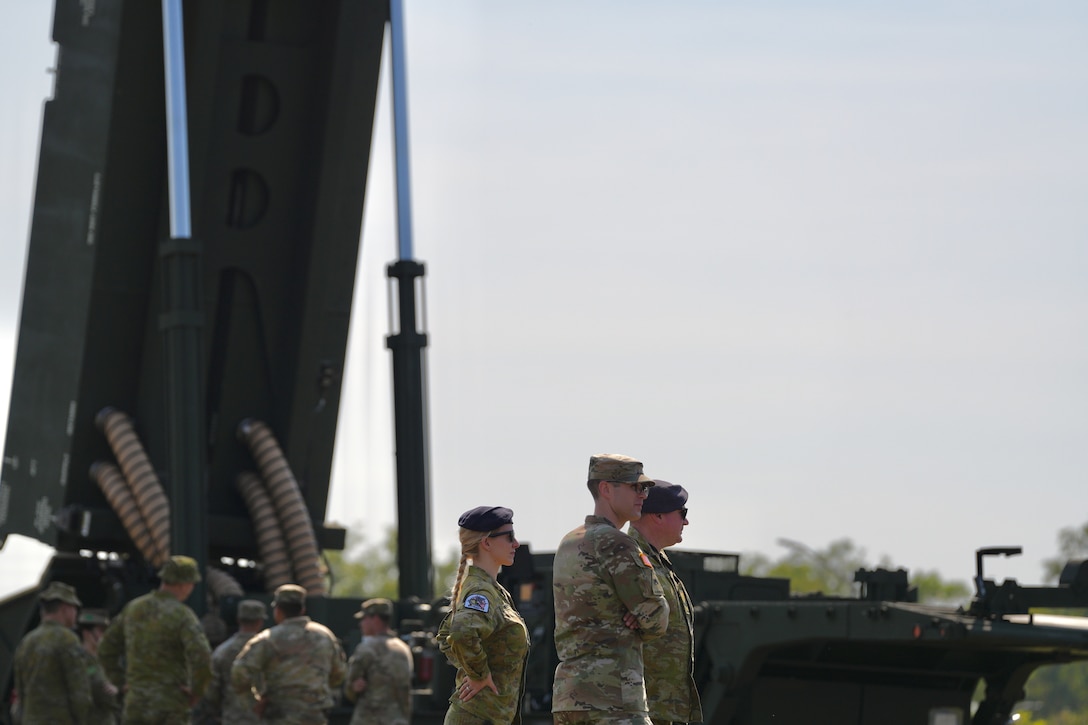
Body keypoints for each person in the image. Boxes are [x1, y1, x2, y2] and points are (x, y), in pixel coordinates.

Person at [552, 454, 670, 725]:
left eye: (644, 488)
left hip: (569, 698)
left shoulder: (568, 542)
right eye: (634, 487)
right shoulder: (617, 543)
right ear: (605, 489)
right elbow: (657, 619)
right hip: (614, 700)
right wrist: (639, 618)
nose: (643, 495)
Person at [437, 506, 530, 725]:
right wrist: (478, 674)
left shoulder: (493, 590)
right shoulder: (481, 591)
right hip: (478, 717)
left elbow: (445, 635)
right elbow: (460, 633)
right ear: (486, 543)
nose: (516, 543)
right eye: (509, 536)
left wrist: (470, 667)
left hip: (489, 717)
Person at [98, 554, 214, 725]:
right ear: (183, 584)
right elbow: (202, 656)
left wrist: (120, 682)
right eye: (192, 584)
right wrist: (197, 691)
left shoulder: (133, 609)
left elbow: (105, 649)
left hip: (136, 703)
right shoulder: (183, 615)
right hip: (170, 706)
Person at [628, 482, 703, 725]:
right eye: (682, 513)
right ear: (658, 516)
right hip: (639, 709)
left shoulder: (657, 561)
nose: (686, 522)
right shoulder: (627, 559)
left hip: (663, 709)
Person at [231, 583, 346, 724]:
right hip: (315, 716)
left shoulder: (268, 639)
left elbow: (239, 672)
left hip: (279, 716)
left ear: (277, 610)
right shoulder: (325, 636)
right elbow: (339, 673)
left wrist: (252, 702)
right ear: (302, 609)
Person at [12, 581, 93, 724]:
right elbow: (79, 692)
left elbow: (20, 693)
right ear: (65, 608)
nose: (76, 613)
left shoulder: (26, 642)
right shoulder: (67, 640)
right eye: (75, 608)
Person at [343, 598, 414, 725]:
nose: (361, 624)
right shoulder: (403, 649)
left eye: (364, 619)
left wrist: (353, 688)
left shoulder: (367, 649)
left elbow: (350, 689)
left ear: (375, 619)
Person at [199, 599, 267, 724]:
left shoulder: (222, 651)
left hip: (233, 718)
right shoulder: (269, 650)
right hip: (263, 718)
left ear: (238, 620)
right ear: (260, 622)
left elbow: (211, 691)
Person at [76, 609, 122, 724]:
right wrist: (119, 691)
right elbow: (102, 691)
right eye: (101, 631)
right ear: (86, 633)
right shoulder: (80, 660)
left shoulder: (105, 660)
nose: (105, 636)